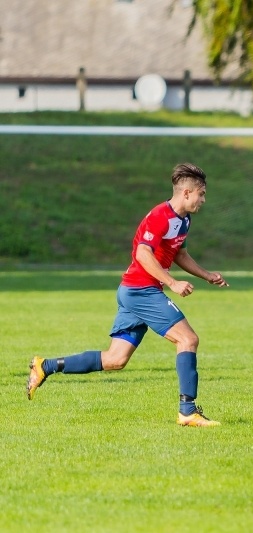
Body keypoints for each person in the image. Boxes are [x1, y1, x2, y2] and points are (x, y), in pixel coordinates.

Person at [26, 163, 229, 427]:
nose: (203, 200)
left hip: (134, 291)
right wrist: (171, 282)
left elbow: (179, 254)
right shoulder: (160, 216)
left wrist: (206, 275)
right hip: (141, 290)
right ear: (187, 193)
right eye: (201, 194)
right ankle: (187, 411)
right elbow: (143, 253)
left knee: (115, 360)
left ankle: (45, 366)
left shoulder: (183, 220)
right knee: (188, 340)